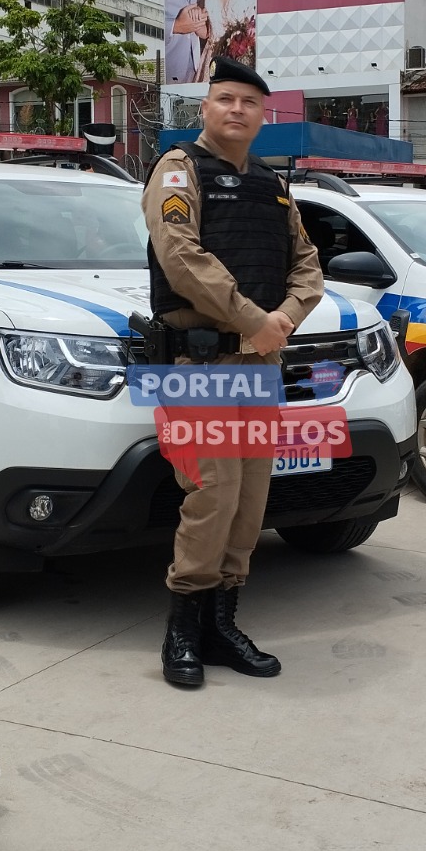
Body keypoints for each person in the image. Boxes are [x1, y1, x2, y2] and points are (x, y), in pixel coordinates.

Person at [142, 55, 323, 687]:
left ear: (263, 114)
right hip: (201, 360)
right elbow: (181, 257)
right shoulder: (177, 170)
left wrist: (284, 319)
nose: (237, 110)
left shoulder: (273, 185)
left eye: (249, 102)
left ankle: (223, 625)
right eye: (225, 99)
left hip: (259, 358)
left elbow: (308, 265)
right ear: (206, 107)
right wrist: (253, 317)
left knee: (249, 499)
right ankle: (182, 632)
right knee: (211, 495)